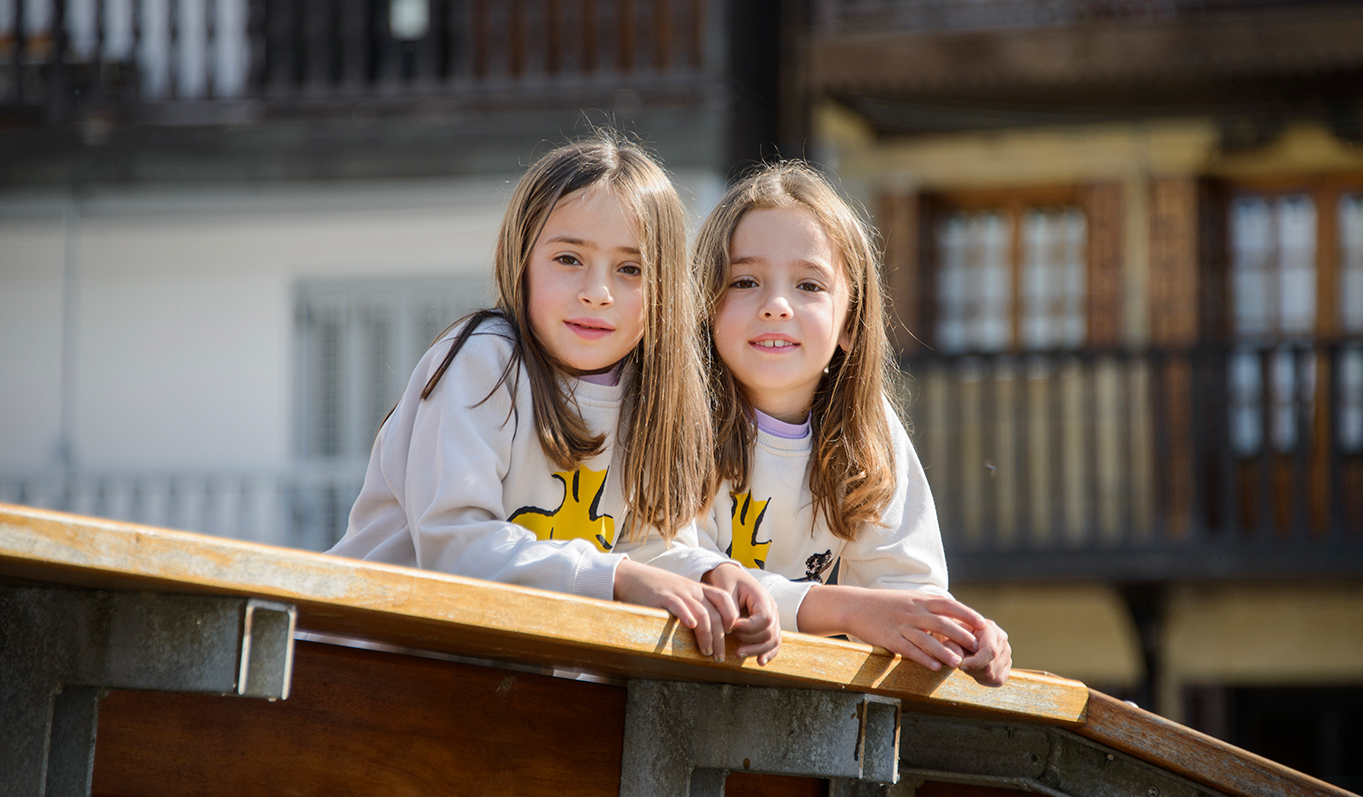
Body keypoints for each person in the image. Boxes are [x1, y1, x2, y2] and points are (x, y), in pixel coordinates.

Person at [329, 134, 779, 664]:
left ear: (664, 289)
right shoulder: (482, 361)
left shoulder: (653, 396)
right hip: (363, 662)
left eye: (630, 269)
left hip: (513, 684)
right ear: (520, 259)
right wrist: (618, 577)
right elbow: (454, 548)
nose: (597, 292)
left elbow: (648, 551)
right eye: (569, 258)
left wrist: (712, 573)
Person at [695, 161, 1010, 684]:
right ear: (705, 304)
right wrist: (846, 610)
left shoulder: (866, 428)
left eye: (809, 285)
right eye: (745, 281)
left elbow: (903, 589)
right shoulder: (673, 416)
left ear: (850, 323)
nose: (777, 305)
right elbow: (683, 570)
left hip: (777, 699)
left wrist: (960, 631)